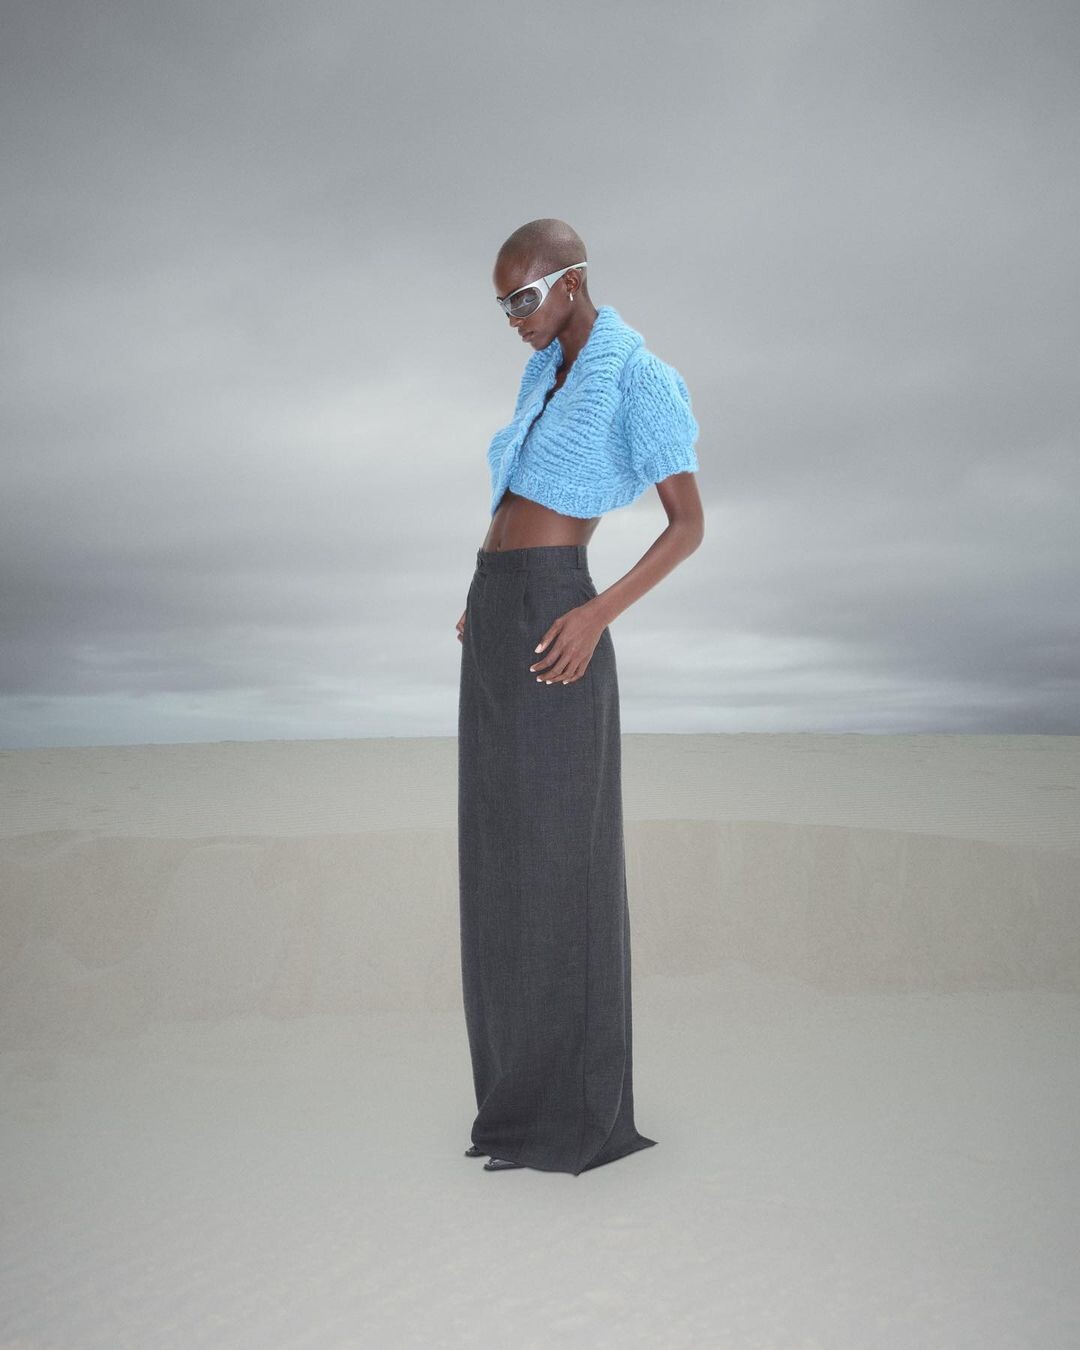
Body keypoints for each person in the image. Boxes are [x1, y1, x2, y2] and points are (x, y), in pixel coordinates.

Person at [456, 217, 704, 1175]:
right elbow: (514, 502)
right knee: (499, 862)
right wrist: (482, 593)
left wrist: (596, 613)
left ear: (571, 279)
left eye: (524, 297)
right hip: (498, 609)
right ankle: (515, 1108)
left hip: (561, 611)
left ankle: (577, 1116)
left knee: (563, 860)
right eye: (501, 305)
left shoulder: (640, 375)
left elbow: (687, 527)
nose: (514, 319)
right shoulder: (541, 376)